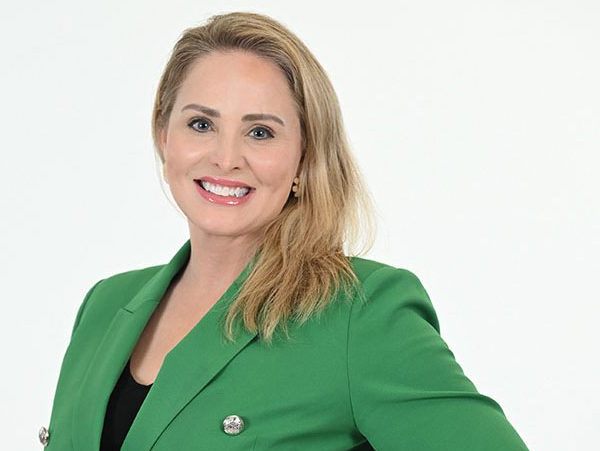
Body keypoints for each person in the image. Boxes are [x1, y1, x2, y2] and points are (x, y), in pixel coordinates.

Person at [41, 11, 528, 451]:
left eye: (260, 132)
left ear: (304, 158)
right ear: (163, 135)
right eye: (201, 124)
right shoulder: (104, 305)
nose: (226, 158)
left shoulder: (359, 312)